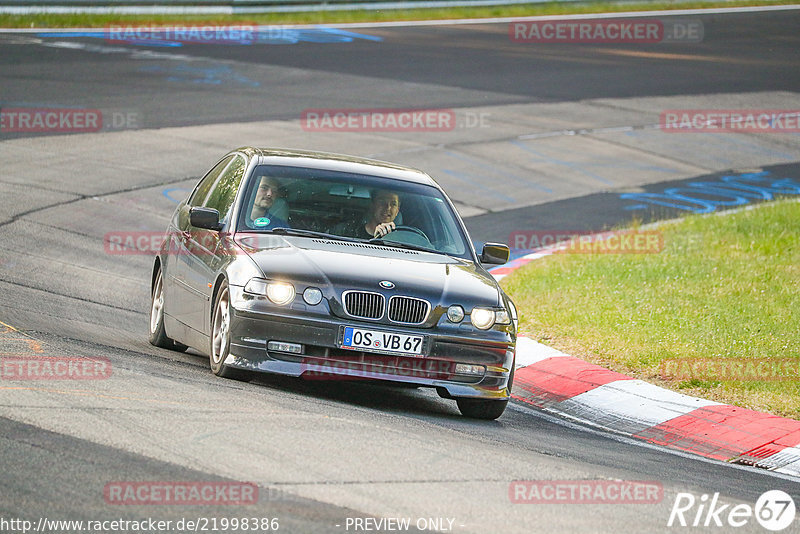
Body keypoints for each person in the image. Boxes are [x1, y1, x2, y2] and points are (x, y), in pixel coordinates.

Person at [334, 189, 401, 239]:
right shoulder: (347, 231)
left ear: (397, 211)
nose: (388, 207)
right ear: (372, 205)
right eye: (382, 202)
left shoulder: (402, 241)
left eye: (393, 204)